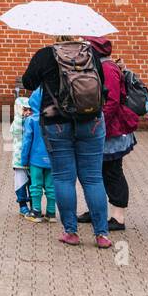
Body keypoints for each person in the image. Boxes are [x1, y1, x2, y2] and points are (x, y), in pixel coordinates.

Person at [21, 35, 111, 248]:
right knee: (93, 179)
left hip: (56, 122)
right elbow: (102, 84)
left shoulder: (45, 55)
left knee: (63, 179)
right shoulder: (91, 53)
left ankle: (71, 232)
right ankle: (102, 235)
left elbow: (28, 82)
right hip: (92, 121)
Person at [77, 36, 137, 233]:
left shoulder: (108, 68)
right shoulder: (98, 66)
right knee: (96, 171)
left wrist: (98, 123)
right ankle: (96, 210)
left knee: (112, 171)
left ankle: (118, 217)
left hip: (111, 130)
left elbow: (111, 101)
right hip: (105, 128)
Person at [24, 87, 55, 223]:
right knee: (51, 186)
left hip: (35, 159)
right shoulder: (55, 120)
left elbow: (27, 142)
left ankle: (36, 211)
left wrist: (24, 159)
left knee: (35, 185)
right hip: (52, 159)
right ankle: (51, 212)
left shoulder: (31, 120)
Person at [11, 96, 33, 217]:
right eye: (25, 110)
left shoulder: (33, 122)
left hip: (32, 160)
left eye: (30, 110)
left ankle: (34, 206)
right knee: (20, 183)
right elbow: (17, 131)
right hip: (19, 161)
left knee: (32, 183)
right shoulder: (17, 124)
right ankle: (22, 205)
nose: (28, 112)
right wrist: (20, 118)